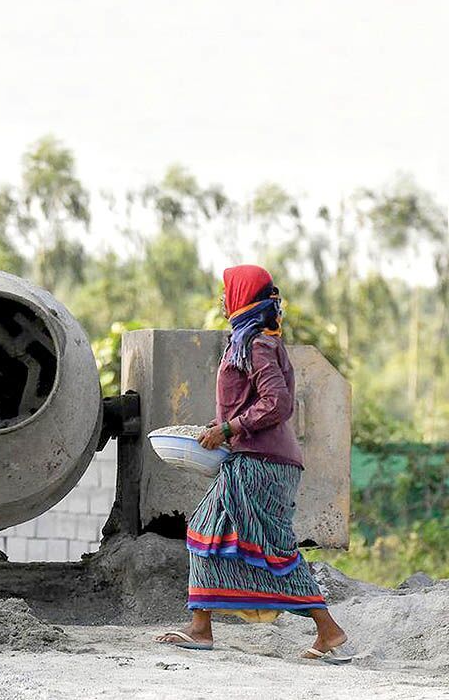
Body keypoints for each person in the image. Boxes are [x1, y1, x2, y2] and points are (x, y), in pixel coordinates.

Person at [155, 264, 350, 664]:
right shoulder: (248, 340)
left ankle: (328, 630)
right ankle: (201, 628)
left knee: (271, 546)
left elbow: (278, 404)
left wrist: (229, 429)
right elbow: (251, 402)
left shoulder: (257, 344)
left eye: (228, 292)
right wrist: (220, 427)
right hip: (254, 458)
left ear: (242, 298)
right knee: (207, 532)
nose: (222, 299)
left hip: (262, 463)